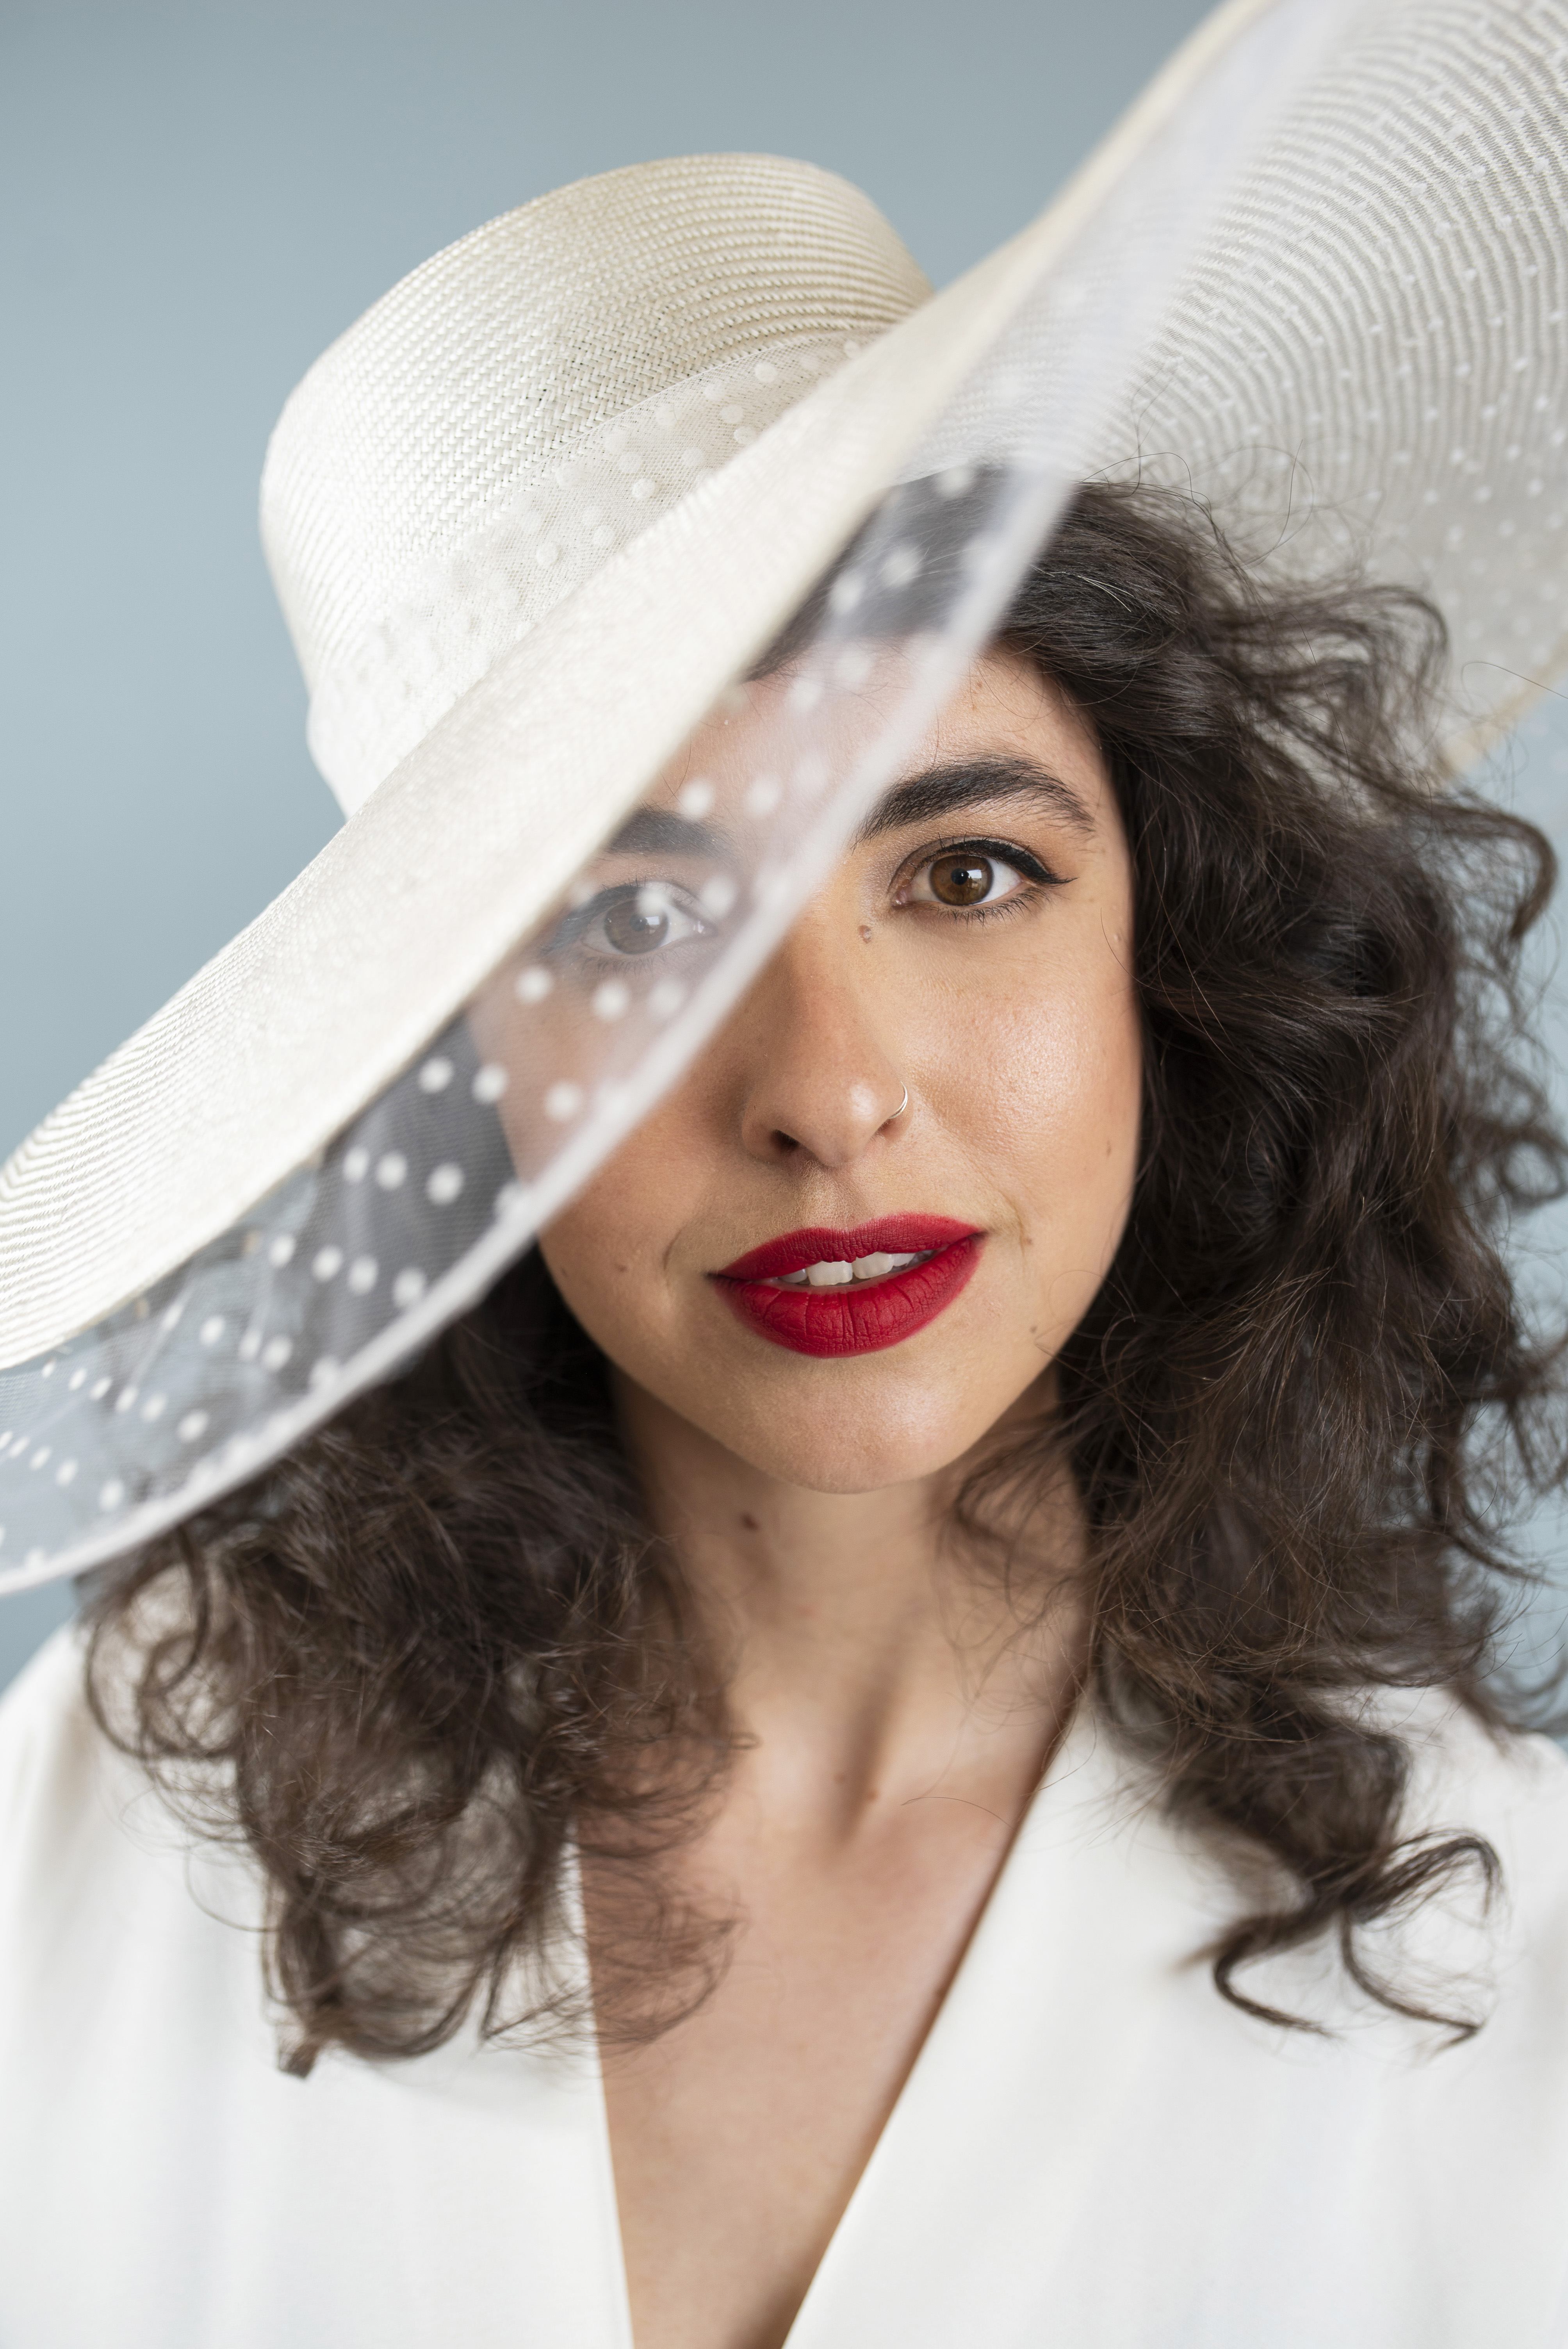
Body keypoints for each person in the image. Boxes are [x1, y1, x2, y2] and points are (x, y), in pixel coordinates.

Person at [4, 7, 1568, 2346]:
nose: (828, 1095)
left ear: (1171, 948)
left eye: (966, 874)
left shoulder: (1504, 1981)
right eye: (635, 926)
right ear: (451, 1074)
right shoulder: (105, 1833)